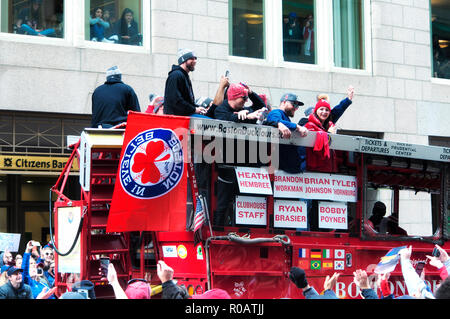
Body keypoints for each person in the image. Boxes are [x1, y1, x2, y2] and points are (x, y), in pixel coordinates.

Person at [212, 83, 265, 226]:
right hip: (227, 164)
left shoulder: (244, 109)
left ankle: (245, 231)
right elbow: (223, 120)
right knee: (223, 202)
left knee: (245, 202)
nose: (246, 101)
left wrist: (251, 93)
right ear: (233, 97)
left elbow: (262, 107)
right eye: (243, 98)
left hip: (246, 164)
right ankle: (218, 230)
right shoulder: (221, 108)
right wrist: (242, 117)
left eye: (247, 98)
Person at [303, 86, 355, 173]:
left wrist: (348, 100)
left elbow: (337, 110)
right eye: (321, 109)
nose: (324, 112)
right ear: (316, 111)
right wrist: (328, 134)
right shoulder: (309, 125)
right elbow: (317, 150)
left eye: (327, 110)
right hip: (315, 172)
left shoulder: (328, 125)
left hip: (328, 171)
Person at [265, 93, 308, 174]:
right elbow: (274, 120)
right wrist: (297, 126)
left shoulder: (285, 117)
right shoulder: (276, 112)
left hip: (285, 169)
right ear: (284, 102)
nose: (296, 108)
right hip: (277, 168)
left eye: (297, 106)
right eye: (294, 104)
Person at [164, 49, 207, 116]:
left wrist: (197, 107)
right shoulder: (176, 75)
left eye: (195, 58)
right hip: (176, 119)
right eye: (191, 59)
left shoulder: (184, 76)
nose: (195, 61)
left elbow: (186, 101)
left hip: (184, 116)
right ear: (183, 60)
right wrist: (194, 109)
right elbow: (176, 101)